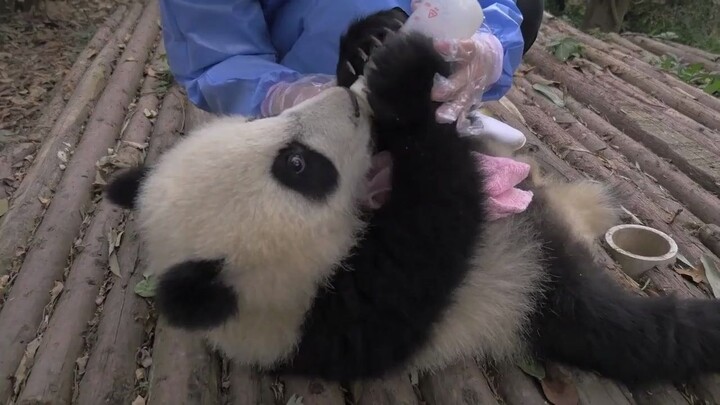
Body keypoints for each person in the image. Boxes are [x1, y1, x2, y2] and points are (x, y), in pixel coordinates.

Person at [158, 0, 543, 135]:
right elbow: (217, 52)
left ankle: (443, 103)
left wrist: (489, 47)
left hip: (417, 46)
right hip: (304, 67)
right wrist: (286, 93)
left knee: (525, 6)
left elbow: (493, 4)